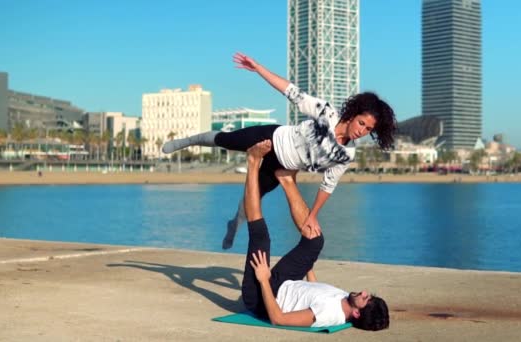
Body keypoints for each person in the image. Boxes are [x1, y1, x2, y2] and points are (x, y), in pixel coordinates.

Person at [162, 52, 397, 250]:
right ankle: (187, 141)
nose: (362, 131)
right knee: (225, 139)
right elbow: (291, 92)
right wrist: (257, 68)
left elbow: (328, 185)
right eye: (361, 123)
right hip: (272, 138)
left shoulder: (347, 154)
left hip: (282, 167)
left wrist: (313, 214)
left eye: (369, 129)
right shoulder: (326, 113)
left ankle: (234, 224)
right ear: (353, 115)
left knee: (252, 198)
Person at [240, 140, 389, 330]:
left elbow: (279, 319)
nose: (364, 292)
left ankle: (253, 161)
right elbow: (315, 291)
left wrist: (263, 279)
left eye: (365, 298)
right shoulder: (345, 299)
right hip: (285, 282)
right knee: (315, 240)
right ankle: (286, 179)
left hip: (261, 298)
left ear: (357, 313)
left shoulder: (329, 314)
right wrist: (307, 262)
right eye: (369, 294)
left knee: (261, 236)